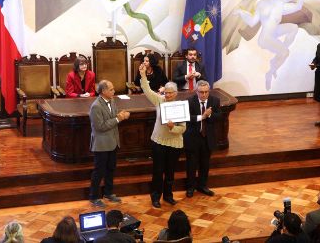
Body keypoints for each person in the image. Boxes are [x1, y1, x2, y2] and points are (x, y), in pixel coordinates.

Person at [237, 0, 305, 90]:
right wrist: (242, 13)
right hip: (266, 38)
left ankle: (279, 56)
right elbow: (252, 22)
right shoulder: (263, 3)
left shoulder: (283, 6)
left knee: (293, 28)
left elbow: (298, 6)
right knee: (285, 53)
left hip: (275, 32)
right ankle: (270, 72)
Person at [139, 63, 186, 208]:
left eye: (171, 92)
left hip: (174, 144)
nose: (168, 94)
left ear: (176, 93)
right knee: (158, 172)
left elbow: (183, 128)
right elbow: (146, 90)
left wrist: (173, 128)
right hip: (159, 142)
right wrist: (143, 75)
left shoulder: (180, 106)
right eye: (166, 92)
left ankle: (168, 196)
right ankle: (155, 197)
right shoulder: (159, 100)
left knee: (170, 172)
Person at [89, 80, 130, 207]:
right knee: (99, 171)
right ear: (103, 91)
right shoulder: (96, 106)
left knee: (110, 169)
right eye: (111, 89)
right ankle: (94, 196)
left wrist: (120, 115)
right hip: (101, 144)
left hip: (113, 142)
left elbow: (113, 117)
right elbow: (100, 126)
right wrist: (119, 118)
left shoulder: (112, 101)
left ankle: (108, 192)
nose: (114, 91)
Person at [184, 80, 221, 198]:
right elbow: (187, 118)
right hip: (193, 137)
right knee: (191, 164)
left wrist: (209, 115)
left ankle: (202, 186)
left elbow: (219, 116)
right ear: (196, 91)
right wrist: (202, 116)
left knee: (205, 164)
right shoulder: (189, 101)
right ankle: (190, 187)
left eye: (206, 92)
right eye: (201, 92)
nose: (204, 94)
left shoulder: (215, 100)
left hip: (207, 138)